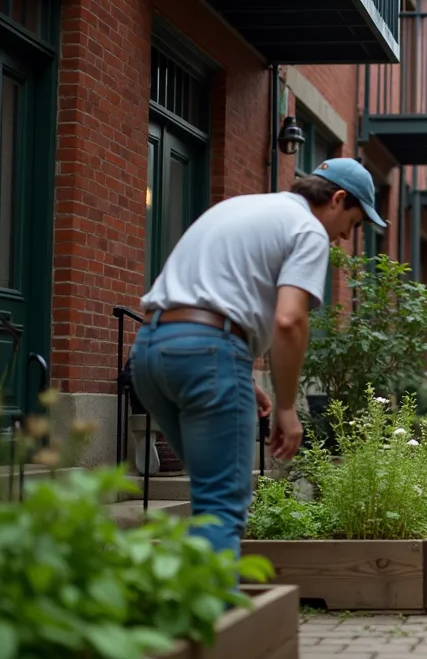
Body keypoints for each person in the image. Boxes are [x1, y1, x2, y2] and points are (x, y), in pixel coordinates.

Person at [128, 158, 385, 559]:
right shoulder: (308, 230)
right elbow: (289, 319)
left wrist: (240, 375)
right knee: (222, 504)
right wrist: (286, 407)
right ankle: (216, 616)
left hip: (150, 350)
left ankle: (182, 603)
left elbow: (213, 292)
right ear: (337, 199)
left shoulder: (239, 207)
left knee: (208, 490)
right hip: (208, 355)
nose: (343, 238)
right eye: (351, 226)